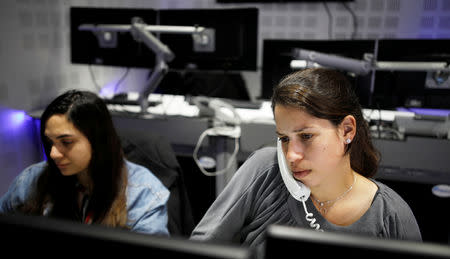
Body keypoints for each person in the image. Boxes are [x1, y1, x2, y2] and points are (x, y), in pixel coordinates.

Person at [191, 68, 422, 247]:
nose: (291, 155)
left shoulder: (390, 216)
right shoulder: (265, 169)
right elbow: (200, 251)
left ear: (347, 131)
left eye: (307, 136)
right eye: (284, 138)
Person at [0, 90, 169, 235]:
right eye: (50, 142)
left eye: (66, 142)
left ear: (97, 141)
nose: (53, 154)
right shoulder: (32, 179)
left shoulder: (144, 194)